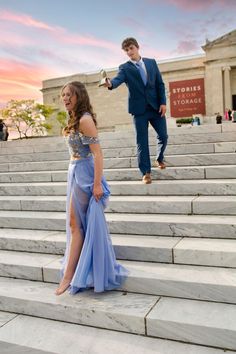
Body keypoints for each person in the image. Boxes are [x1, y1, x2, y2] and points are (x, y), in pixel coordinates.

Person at [55, 81, 128, 296]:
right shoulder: (74, 119)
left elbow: (97, 153)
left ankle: (69, 277)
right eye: (63, 95)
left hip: (85, 174)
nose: (65, 98)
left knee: (75, 224)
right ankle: (77, 271)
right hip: (75, 171)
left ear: (79, 96)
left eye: (69, 95)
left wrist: (97, 184)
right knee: (75, 224)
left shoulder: (85, 120)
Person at [104, 37, 168, 184]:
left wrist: (163, 102)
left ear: (137, 47)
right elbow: (116, 80)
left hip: (155, 107)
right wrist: (109, 84)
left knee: (163, 136)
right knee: (142, 142)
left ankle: (159, 157)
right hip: (139, 111)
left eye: (131, 48)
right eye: (126, 50)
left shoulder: (151, 63)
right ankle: (145, 172)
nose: (129, 52)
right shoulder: (125, 68)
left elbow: (160, 84)